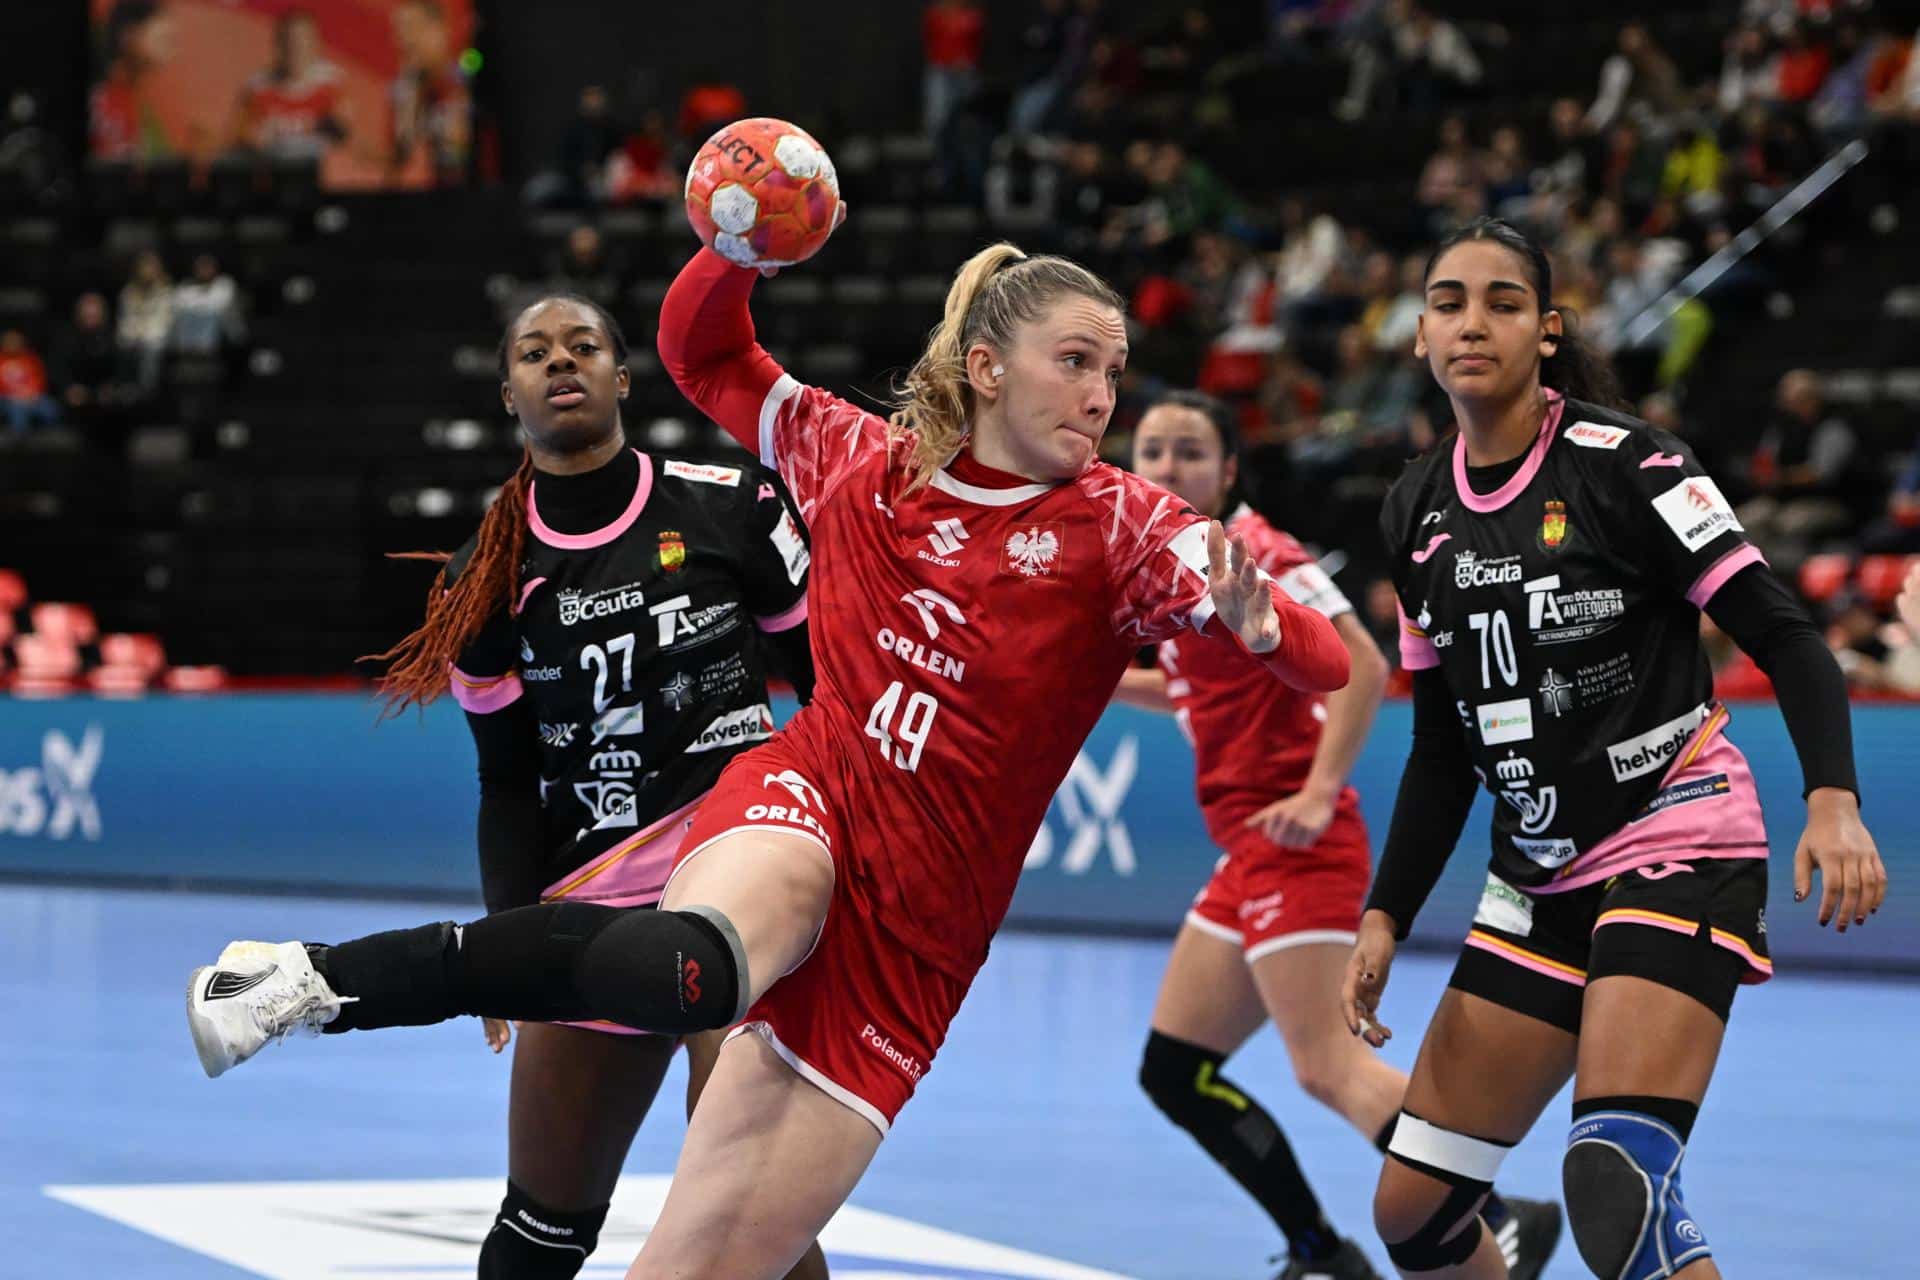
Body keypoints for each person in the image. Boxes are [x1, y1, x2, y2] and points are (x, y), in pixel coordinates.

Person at [186, 226, 1351, 1280]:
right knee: (690, 966)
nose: (1101, 395)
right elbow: (702, 352)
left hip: (920, 937)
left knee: (710, 1266)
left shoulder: (1128, 525)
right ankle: (317, 978)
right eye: (1075, 361)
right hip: (814, 795)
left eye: (1112, 367)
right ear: (990, 367)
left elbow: (1326, 661)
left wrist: (1265, 631)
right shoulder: (860, 459)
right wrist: (740, 237)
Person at [229, 291, 826, 1280]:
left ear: (622, 377)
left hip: (736, 886)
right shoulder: (489, 579)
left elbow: (827, 689)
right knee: (538, 1235)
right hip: (590, 912)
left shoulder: (728, 503)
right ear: (509, 394)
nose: (562, 362)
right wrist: (508, 938)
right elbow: (506, 780)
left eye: (583, 345)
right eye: (536, 352)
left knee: (751, 1209)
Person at [1341, 217, 1886, 1279]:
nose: (1473, 322)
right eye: (1449, 302)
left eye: (1504, 302)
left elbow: (1786, 633)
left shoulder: (1627, 464)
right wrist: (1384, 912)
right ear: (1417, 334)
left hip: (1675, 829)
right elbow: (1443, 748)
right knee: (1414, 1211)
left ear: (1546, 331)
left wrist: (1833, 798)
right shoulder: (1412, 509)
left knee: (1615, 1187)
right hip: (1538, 874)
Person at [1120, 391, 1561, 1280]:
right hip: (1247, 852)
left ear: (1230, 471)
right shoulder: (1171, 564)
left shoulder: (1263, 556)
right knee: (1175, 1070)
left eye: (1190, 452)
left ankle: (1498, 1217)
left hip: (1298, 843)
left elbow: (1361, 660)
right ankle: (1322, 1254)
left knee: (1329, 1069)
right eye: (1153, 451)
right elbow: (1192, 687)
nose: (1169, 468)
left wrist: (1322, 790)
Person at [231, 9, 348, 163]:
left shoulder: (333, 84)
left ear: (316, 44)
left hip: (318, 173)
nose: (297, 50)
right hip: (273, 173)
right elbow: (238, 137)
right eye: (289, 42)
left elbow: (345, 137)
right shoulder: (257, 88)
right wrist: (253, 140)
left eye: (304, 41)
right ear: (278, 45)